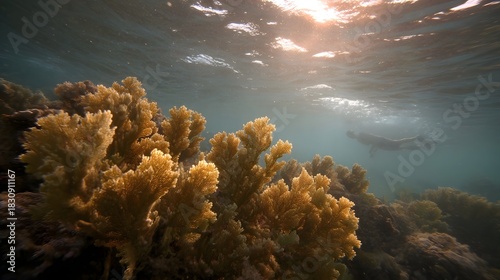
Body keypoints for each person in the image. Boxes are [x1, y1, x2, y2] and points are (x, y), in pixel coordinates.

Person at [346, 130, 425, 157]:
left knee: (398, 143)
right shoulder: (359, 140)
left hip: (382, 141)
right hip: (381, 144)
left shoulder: (361, 135)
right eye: (351, 136)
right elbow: (372, 143)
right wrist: (372, 151)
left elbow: (373, 138)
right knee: (399, 147)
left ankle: (416, 138)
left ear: (352, 133)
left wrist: (373, 149)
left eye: (351, 135)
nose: (352, 136)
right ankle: (418, 146)